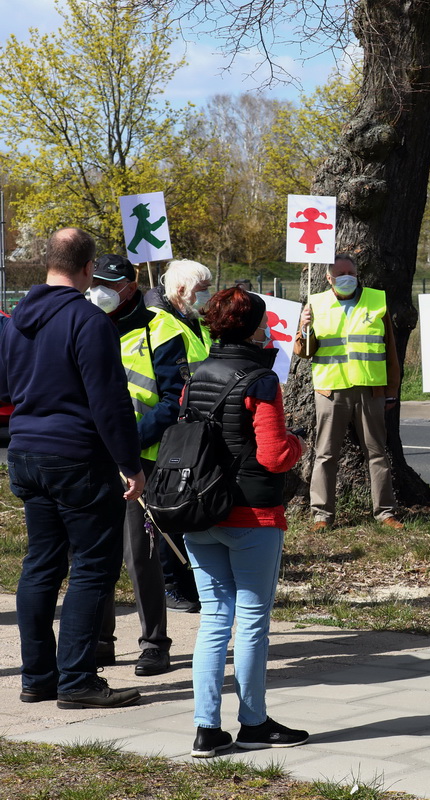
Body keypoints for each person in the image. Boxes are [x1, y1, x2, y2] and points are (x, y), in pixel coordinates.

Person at [1, 228, 145, 709]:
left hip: (25, 453)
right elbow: (109, 400)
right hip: (76, 456)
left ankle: (37, 676)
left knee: (41, 565)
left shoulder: (16, 320)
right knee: (92, 566)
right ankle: (77, 679)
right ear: (87, 269)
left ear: (48, 262)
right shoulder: (88, 319)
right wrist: (130, 463)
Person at [183, 286, 307, 758]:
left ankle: (205, 729)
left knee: (215, 619)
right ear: (251, 326)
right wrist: (298, 443)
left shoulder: (193, 376)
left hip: (199, 509)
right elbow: (275, 455)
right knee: (253, 620)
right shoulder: (260, 379)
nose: (268, 327)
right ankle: (253, 721)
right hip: (252, 514)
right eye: (263, 319)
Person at [92, 254, 189, 677]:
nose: (99, 290)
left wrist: (128, 445)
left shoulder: (162, 327)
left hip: (140, 461)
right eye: (94, 281)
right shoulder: (87, 323)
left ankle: (155, 643)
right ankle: (100, 641)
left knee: (140, 557)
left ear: (130, 287)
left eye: (109, 284)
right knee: (95, 556)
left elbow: (174, 401)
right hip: (93, 460)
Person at [296, 254, 404, 531]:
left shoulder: (376, 300)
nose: (347, 277)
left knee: (377, 453)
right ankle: (322, 515)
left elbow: (390, 351)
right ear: (328, 278)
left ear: (357, 275)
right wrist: (303, 329)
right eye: (340, 273)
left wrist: (391, 389)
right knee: (325, 454)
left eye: (351, 273)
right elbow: (304, 353)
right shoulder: (315, 303)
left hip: (370, 389)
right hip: (330, 390)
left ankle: (385, 512)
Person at [146, 257, 214, 612]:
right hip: (164, 435)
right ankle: (170, 583)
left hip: (188, 432)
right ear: (182, 290)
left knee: (184, 511)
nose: (207, 297)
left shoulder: (190, 319)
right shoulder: (163, 324)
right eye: (203, 290)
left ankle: (186, 581)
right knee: (165, 515)